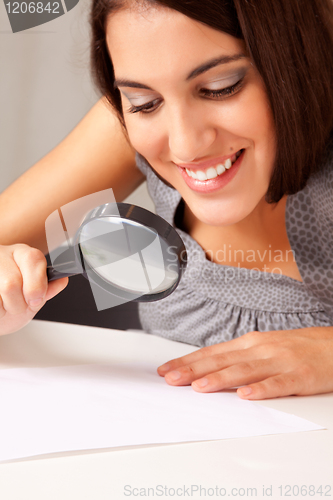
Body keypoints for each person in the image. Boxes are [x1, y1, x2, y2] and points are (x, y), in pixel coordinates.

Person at [0, 0, 333, 400]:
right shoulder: (127, 127)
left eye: (220, 87)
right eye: (144, 103)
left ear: (298, 57)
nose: (185, 145)